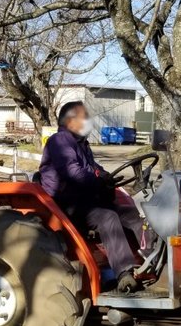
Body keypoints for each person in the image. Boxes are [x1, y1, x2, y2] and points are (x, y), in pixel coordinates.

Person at [38, 101, 143, 293]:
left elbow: (94, 169)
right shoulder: (60, 140)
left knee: (130, 214)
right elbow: (72, 172)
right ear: (70, 121)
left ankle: (148, 260)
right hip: (66, 203)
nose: (88, 122)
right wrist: (99, 181)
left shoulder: (81, 144)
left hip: (85, 200)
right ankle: (124, 273)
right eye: (84, 118)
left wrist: (107, 178)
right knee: (107, 217)